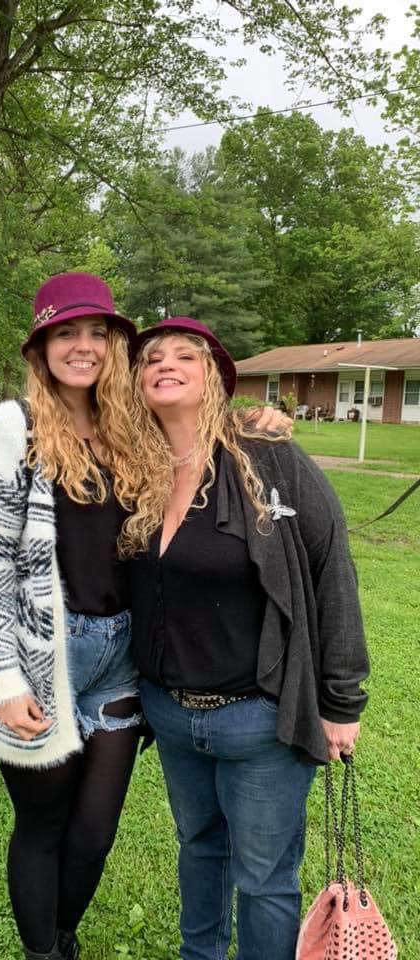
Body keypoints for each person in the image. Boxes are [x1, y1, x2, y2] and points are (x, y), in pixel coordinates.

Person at [0, 278, 289, 960]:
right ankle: (48, 952)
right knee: (44, 824)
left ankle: (60, 938)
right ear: (42, 348)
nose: (81, 347)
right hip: (37, 656)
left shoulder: (130, 430)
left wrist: (258, 420)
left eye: (96, 334)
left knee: (94, 833)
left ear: (115, 346)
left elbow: (197, 426)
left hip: (119, 661)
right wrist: (1, 677)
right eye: (65, 333)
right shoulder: (14, 427)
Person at [121, 317, 370, 960]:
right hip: (172, 714)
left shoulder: (270, 460)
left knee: (263, 879)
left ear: (214, 378)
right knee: (199, 849)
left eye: (184, 355)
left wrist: (341, 701)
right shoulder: (134, 472)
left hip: (262, 718)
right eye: (151, 359)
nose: (165, 364)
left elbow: (330, 567)